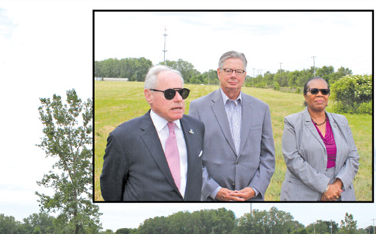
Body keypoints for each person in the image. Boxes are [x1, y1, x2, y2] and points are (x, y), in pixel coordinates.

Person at [100, 65, 205, 201]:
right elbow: (111, 191)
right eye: (170, 93)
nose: (179, 98)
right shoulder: (123, 137)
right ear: (149, 95)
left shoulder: (196, 128)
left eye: (182, 92)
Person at [189, 50, 275, 201]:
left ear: (245, 74)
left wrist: (254, 188)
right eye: (228, 70)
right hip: (212, 198)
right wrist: (214, 190)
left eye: (239, 71)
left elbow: (268, 156)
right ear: (219, 73)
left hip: (251, 198)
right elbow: (192, 157)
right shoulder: (198, 107)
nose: (233, 75)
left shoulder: (261, 109)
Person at [280, 77, 359, 201]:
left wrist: (337, 185)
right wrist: (325, 187)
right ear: (305, 96)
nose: (320, 94)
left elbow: (353, 157)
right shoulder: (292, 122)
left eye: (324, 91)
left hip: (340, 192)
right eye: (314, 91)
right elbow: (293, 160)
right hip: (304, 193)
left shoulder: (341, 121)